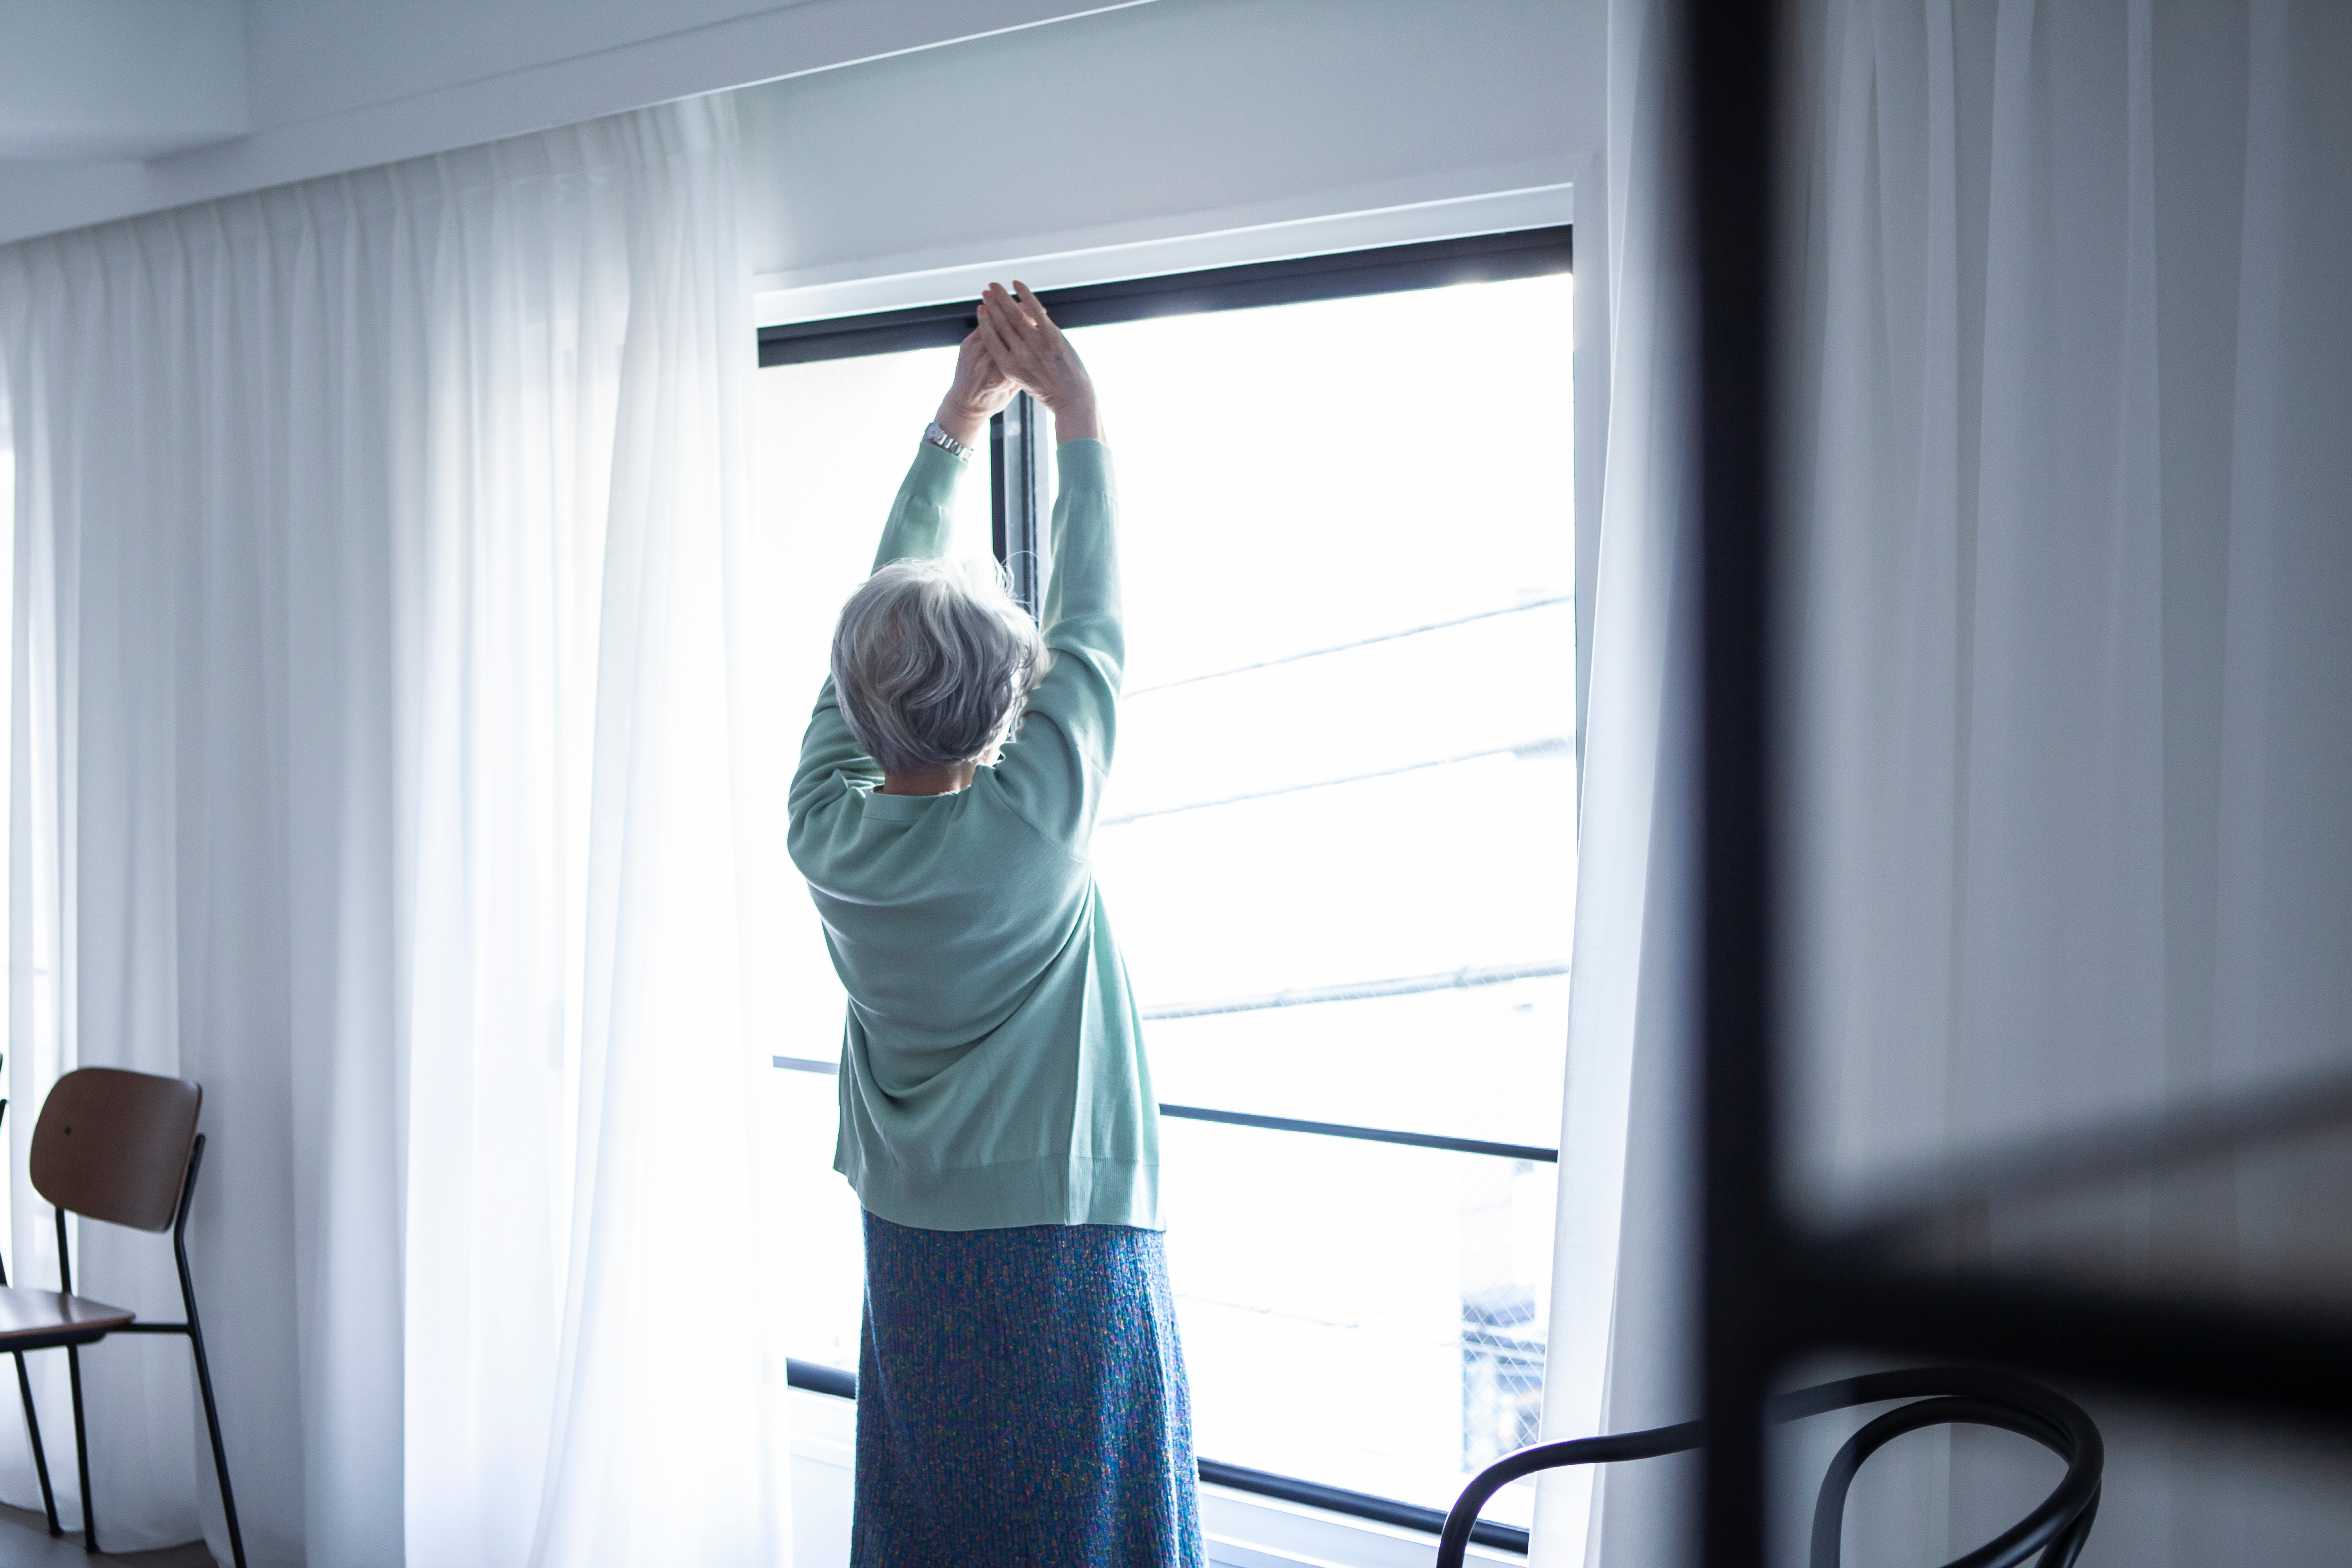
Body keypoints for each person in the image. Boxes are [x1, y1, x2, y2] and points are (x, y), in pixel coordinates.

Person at [787, 282, 1202, 1568]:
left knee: (940, 1514)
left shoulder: (826, 833)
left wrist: (949, 434)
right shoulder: (1034, 831)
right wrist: (1075, 411)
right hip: (1063, 1242)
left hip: (910, 1239)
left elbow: (880, 658)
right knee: (1084, 1523)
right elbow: (1097, 631)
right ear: (1004, 708)